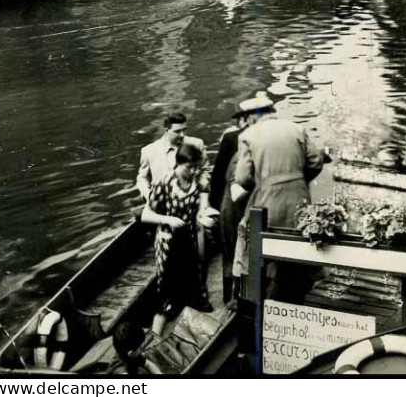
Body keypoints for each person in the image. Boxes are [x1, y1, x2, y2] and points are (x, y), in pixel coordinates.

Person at [231, 92, 325, 299]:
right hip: (299, 198)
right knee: (299, 241)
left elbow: (243, 178)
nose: (246, 122)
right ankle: (295, 294)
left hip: (267, 201)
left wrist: (264, 182)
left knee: (250, 241)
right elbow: (315, 162)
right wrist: (298, 179)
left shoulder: (248, 135)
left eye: (246, 118)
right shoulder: (296, 128)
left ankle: (253, 298)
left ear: (253, 116)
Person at [141, 141, 213, 336]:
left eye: (196, 166)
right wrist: (168, 219)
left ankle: (192, 327)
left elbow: (201, 210)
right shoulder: (165, 183)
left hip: (189, 237)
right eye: (189, 167)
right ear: (178, 163)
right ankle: (156, 336)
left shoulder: (197, 183)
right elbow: (145, 215)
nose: (193, 171)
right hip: (168, 240)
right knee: (166, 288)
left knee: (194, 280)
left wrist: (205, 216)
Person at [136, 113, 212, 262]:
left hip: (190, 203)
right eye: (177, 131)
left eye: (185, 130)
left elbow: (205, 170)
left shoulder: (197, 144)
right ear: (166, 130)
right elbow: (142, 177)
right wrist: (148, 193)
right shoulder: (149, 151)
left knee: (197, 254)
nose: (182, 135)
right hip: (163, 204)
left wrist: (202, 191)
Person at [210, 100, 253, 305]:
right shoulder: (263, 137)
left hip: (232, 203)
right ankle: (246, 297)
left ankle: (229, 299)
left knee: (230, 251)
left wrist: (213, 205)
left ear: (242, 119)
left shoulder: (230, 138)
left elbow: (218, 175)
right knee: (250, 251)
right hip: (254, 202)